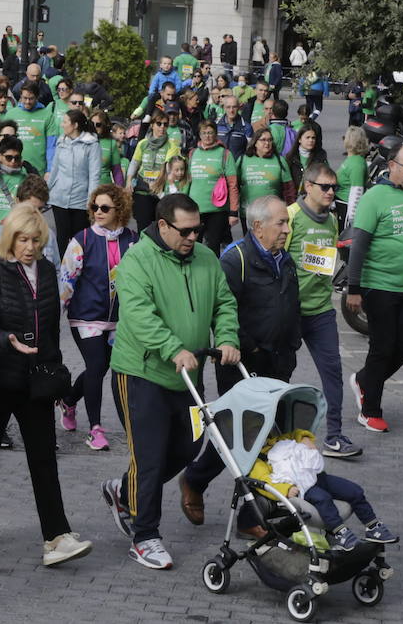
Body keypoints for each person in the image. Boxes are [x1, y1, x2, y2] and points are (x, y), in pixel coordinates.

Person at [103, 193, 239, 570]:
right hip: (141, 372)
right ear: (162, 226)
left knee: (188, 446)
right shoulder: (137, 261)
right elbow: (140, 315)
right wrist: (172, 347)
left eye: (198, 230)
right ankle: (145, 535)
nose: (193, 237)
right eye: (185, 231)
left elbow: (224, 304)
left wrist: (227, 336)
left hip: (188, 379)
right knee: (149, 457)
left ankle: (123, 489)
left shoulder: (207, 259)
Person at [0, 204, 93, 567]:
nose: (29, 246)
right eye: (22, 239)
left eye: (35, 239)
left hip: (35, 378)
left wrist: (55, 371)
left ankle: (56, 537)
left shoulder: (47, 272)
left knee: (44, 457)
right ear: (9, 239)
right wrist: (9, 340)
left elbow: (51, 329)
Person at [179, 196, 299, 525]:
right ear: (257, 226)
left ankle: (250, 511)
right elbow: (223, 312)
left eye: (286, 223)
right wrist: (252, 349)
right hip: (243, 363)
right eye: (281, 223)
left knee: (266, 437)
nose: (287, 229)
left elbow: (291, 303)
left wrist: (292, 345)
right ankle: (208, 488)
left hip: (279, 362)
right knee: (243, 438)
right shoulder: (235, 260)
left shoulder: (283, 258)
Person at [345, 143, 403, 434]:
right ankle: (370, 411)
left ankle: (365, 380)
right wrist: (353, 288)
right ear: (391, 165)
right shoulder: (374, 198)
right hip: (377, 285)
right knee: (382, 348)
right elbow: (358, 247)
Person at [287, 162, 360, 458]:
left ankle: (334, 436)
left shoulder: (331, 219)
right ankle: (275, 434)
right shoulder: (290, 217)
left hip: (320, 311)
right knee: (280, 375)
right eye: (325, 187)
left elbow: (326, 259)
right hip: (290, 312)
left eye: (334, 188)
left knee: (333, 372)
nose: (331, 192)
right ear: (308, 187)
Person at [57, 184, 136, 452]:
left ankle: (69, 400)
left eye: (105, 208)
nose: (98, 212)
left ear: (119, 210)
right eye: (94, 207)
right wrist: (59, 310)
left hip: (119, 319)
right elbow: (67, 277)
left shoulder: (133, 240)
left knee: (100, 368)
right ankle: (95, 429)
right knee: (97, 364)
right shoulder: (82, 239)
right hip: (86, 316)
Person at [258, 429, 398, 551]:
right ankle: (341, 534)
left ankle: (373, 527)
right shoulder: (258, 461)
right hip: (300, 488)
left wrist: (304, 438)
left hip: (316, 477)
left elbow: (296, 433)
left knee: (355, 491)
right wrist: (286, 489)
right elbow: (264, 481)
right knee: (323, 498)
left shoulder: (280, 440)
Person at [47, 108, 102, 253]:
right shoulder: (61, 142)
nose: (62, 125)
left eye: (65, 122)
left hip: (80, 200)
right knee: (62, 238)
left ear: (75, 125)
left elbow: (94, 175)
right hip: (59, 199)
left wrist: (91, 201)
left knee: (80, 239)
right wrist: (46, 191)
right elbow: (55, 170)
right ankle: (61, 273)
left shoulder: (92, 145)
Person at [187, 120, 239, 254]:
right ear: (199, 134)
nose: (207, 136)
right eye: (204, 133)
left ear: (216, 134)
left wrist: (233, 212)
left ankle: (213, 273)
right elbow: (187, 181)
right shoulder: (193, 153)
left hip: (217, 210)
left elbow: (233, 184)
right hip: (195, 209)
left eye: (210, 133)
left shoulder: (225, 154)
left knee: (213, 246)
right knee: (192, 245)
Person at [125, 113, 179, 231]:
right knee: (143, 228)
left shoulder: (171, 145)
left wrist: (156, 185)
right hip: (142, 191)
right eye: (159, 124)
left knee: (160, 228)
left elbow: (167, 168)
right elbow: (134, 163)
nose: (162, 127)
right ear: (152, 125)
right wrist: (129, 182)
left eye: (165, 124)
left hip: (160, 192)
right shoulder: (143, 143)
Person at [5, 81, 58, 175]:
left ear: (37, 97)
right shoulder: (11, 114)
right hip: (13, 168)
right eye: (25, 98)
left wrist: (49, 170)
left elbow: (51, 146)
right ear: (20, 96)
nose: (27, 102)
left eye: (31, 99)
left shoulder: (47, 115)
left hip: (38, 170)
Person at [237, 128, 293, 210]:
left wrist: (290, 210)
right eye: (263, 140)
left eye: (270, 140)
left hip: (273, 212)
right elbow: (234, 186)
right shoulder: (243, 159)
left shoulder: (280, 160)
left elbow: (289, 190)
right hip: (248, 212)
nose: (267, 143)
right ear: (255, 142)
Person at [338, 126, 369, 225]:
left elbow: (356, 191)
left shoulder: (356, 164)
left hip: (346, 208)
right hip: (341, 205)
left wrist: (352, 218)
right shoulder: (352, 159)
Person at [287, 120, 329, 189]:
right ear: (299, 139)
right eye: (307, 137)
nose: (311, 140)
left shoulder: (321, 157)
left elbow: (327, 175)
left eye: (313, 138)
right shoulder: (290, 157)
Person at [215, 91, 251, 160]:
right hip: (219, 165)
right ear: (224, 108)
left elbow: (249, 151)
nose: (231, 110)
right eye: (228, 107)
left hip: (237, 167)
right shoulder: (216, 125)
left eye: (234, 107)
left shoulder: (247, 127)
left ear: (238, 107)